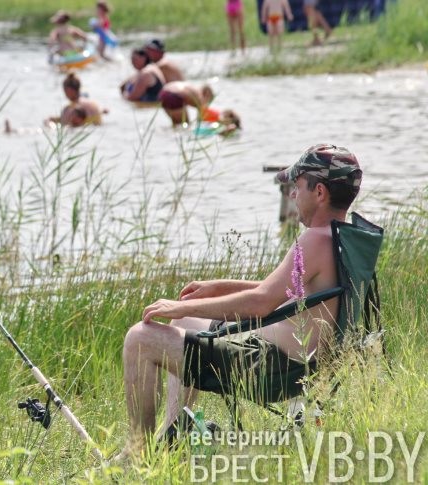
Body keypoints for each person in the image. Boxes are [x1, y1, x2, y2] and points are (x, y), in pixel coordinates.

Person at [120, 144, 364, 458]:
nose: (291, 195)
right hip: (295, 360)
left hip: (272, 369)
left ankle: (136, 455)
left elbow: (262, 302)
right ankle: (173, 435)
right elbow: (284, 292)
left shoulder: (314, 239)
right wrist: (216, 287)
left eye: (297, 186)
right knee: (184, 323)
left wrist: (179, 306)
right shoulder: (344, 236)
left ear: (319, 192)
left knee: (140, 338)